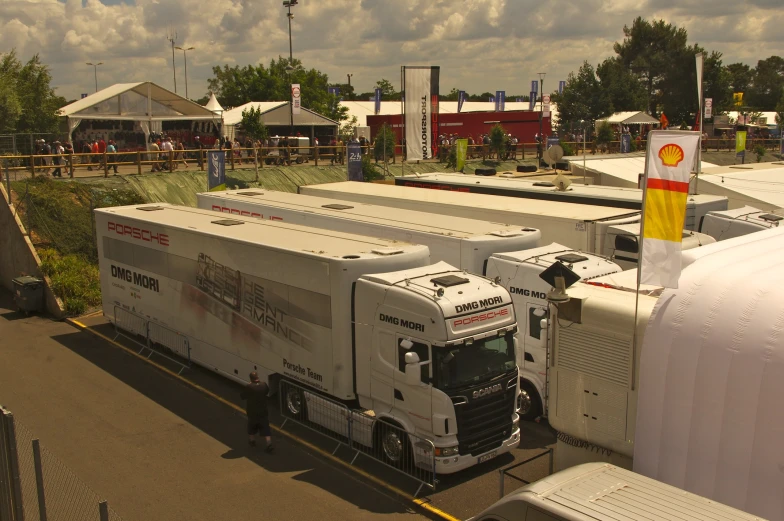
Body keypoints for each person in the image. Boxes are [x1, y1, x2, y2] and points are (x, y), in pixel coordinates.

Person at [241, 372, 273, 452]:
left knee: (251, 426)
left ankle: (252, 441)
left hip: (252, 412)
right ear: (257, 377)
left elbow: (242, 396)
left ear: (251, 379)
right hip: (263, 411)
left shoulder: (249, 386)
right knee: (266, 428)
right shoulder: (264, 384)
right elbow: (267, 392)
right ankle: (269, 444)